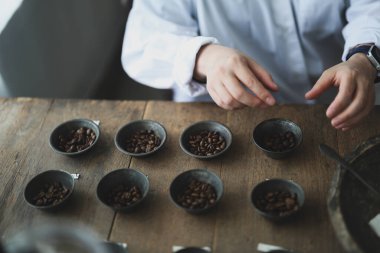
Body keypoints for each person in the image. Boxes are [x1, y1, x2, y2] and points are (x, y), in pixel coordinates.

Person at [121, 1, 380, 131]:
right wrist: (203, 57)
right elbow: (143, 41)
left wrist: (364, 57)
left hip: (342, 104)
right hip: (223, 116)